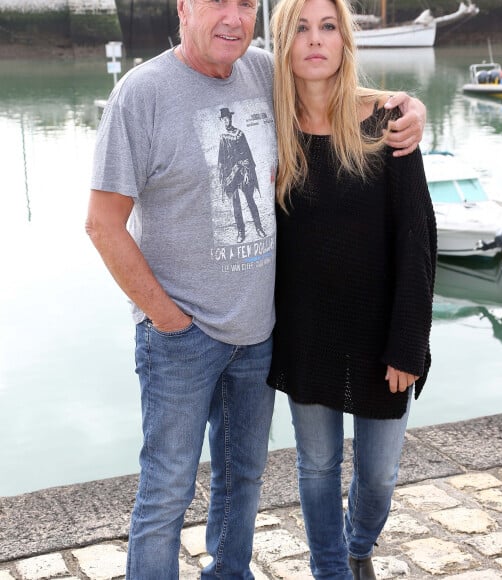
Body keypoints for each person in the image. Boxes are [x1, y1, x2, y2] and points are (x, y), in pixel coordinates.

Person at [85, 0, 427, 576]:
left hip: (257, 337)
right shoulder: (141, 93)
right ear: (183, 7)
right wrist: (168, 320)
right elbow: (101, 223)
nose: (231, 17)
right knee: (168, 491)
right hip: (184, 338)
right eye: (216, 1)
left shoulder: (259, 72)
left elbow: (339, 86)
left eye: (244, 3)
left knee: (243, 479)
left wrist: (411, 105)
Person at [266, 0, 437, 577]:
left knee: (380, 474)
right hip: (305, 333)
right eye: (301, 29)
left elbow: (418, 236)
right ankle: (332, 568)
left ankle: (359, 542)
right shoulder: (271, 130)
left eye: (328, 27)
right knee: (315, 466)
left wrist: (408, 343)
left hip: (382, 334)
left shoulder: (385, 120)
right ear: (282, 45)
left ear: (345, 41)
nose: (315, 41)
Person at [218, 106, 267, 243]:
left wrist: (247, 171)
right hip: (231, 175)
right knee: (236, 204)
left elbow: (247, 154)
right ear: (222, 121)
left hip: (243, 172)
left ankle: (259, 227)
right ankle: (241, 231)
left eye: (227, 118)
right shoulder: (222, 137)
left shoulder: (240, 134)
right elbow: (221, 159)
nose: (226, 121)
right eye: (223, 119)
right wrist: (223, 174)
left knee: (250, 200)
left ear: (230, 118)